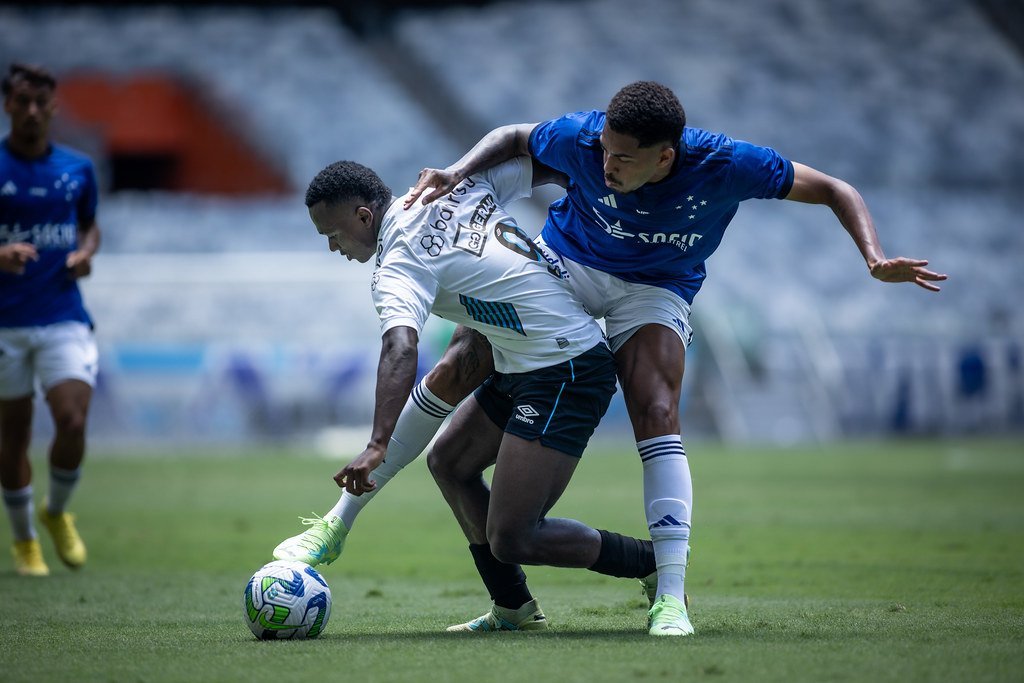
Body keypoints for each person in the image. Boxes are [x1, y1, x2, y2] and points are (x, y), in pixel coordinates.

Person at [393, 80, 946, 636]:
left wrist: (873, 259)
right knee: (466, 368)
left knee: (655, 409)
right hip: (571, 266)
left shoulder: (727, 163)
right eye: (606, 150)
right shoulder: (583, 137)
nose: (607, 165)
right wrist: (456, 171)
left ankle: (671, 595)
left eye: (624, 159)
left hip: (654, 287)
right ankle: (508, 605)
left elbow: (833, 188)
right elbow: (515, 136)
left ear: (666, 155)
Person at [275, 156, 675, 633]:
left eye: (333, 234)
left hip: (566, 370)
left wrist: (378, 442)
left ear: (364, 216)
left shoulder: (398, 261)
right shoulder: (448, 188)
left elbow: (400, 346)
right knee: (449, 462)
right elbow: (545, 164)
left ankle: (654, 563)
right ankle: (513, 608)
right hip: (519, 358)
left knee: (513, 537)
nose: (331, 247)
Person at [1, 63, 101, 577]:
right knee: (13, 436)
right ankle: (24, 543)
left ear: (54, 107)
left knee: (72, 419)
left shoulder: (78, 168)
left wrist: (85, 254)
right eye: (22, 101)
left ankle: (56, 511)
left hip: (63, 314)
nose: (33, 111)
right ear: (8, 105)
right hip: (5, 324)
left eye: (42, 103)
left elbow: (89, 229)